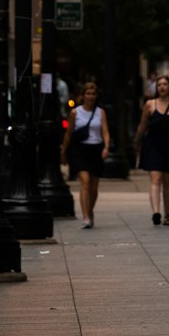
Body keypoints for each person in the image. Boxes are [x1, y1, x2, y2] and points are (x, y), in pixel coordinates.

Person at [133, 73, 169, 225]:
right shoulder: (150, 105)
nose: (162, 87)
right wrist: (137, 141)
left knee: (167, 181)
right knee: (155, 178)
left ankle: (167, 213)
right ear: (156, 88)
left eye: (165, 84)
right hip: (152, 144)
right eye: (159, 85)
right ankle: (156, 213)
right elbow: (142, 125)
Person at [61, 81, 110, 229]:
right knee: (85, 183)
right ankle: (85, 216)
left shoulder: (100, 112)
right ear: (82, 96)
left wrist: (106, 147)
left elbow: (105, 132)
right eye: (88, 93)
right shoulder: (75, 112)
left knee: (94, 187)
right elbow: (68, 133)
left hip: (96, 149)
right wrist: (63, 152)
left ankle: (90, 211)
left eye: (93, 94)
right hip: (80, 150)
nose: (90, 96)